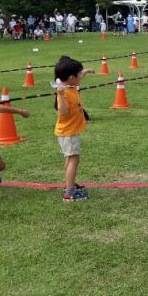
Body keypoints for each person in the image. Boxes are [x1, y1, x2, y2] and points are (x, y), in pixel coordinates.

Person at [54, 56, 95, 203]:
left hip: (70, 131)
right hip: (68, 132)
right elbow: (62, 111)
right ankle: (69, 192)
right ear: (71, 77)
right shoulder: (64, 93)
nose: (81, 76)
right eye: (79, 74)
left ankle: (69, 184)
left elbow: (78, 77)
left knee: (70, 159)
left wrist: (87, 71)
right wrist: (60, 94)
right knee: (73, 160)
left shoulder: (71, 85)